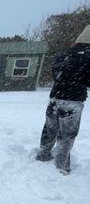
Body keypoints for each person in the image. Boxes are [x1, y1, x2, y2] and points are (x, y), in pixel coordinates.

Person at [36, 25, 90, 173]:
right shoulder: (88, 56)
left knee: (50, 129)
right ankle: (62, 166)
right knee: (67, 134)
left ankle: (43, 154)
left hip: (54, 98)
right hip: (72, 101)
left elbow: (56, 74)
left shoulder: (64, 54)